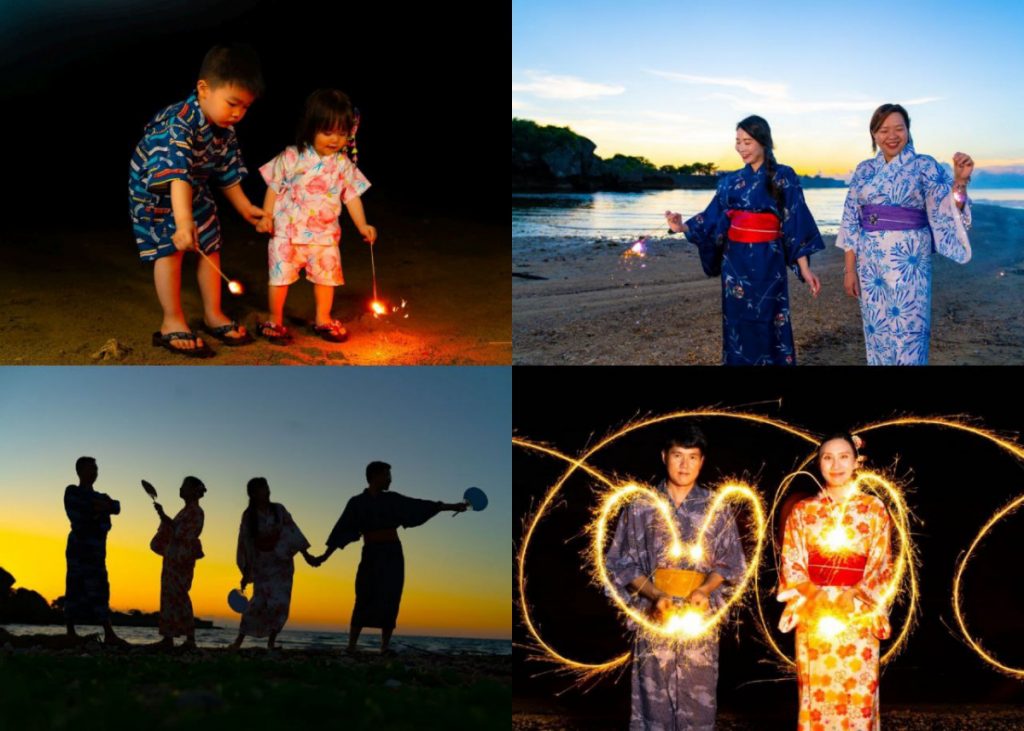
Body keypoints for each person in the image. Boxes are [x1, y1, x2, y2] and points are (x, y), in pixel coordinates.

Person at [128, 43, 267, 357]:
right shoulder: (177, 123)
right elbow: (175, 174)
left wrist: (245, 208)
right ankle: (171, 320)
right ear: (204, 89)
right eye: (233, 103)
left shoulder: (224, 129)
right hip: (155, 192)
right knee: (170, 248)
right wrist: (182, 221)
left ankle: (213, 313)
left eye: (245, 107)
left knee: (209, 242)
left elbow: (227, 171)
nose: (238, 113)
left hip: (193, 186)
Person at [604, 426, 747, 730]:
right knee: (651, 705)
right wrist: (655, 595)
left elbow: (731, 562)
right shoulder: (641, 506)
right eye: (678, 456)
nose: (684, 465)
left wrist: (705, 590)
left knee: (698, 703)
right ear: (664, 457)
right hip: (654, 618)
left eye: (692, 457)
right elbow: (621, 564)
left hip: (700, 622)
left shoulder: (716, 508)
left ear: (702, 461)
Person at [665, 115, 823, 365]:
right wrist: (681, 226)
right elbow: (712, 217)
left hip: (769, 260)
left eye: (747, 142)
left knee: (771, 318)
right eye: (737, 141)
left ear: (763, 142)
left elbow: (795, 222)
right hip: (735, 262)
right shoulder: (730, 181)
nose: (741, 148)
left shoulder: (785, 176)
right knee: (738, 321)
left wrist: (804, 268)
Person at [836, 103, 974, 365]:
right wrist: (849, 270)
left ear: (908, 131)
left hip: (910, 263)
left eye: (899, 128)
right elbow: (851, 221)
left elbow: (948, 207)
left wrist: (960, 182)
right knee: (877, 332)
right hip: (870, 264)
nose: (892, 136)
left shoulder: (925, 165)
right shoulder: (864, 170)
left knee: (910, 333)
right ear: (874, 135)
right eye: (883, 130)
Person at [777, 434, 893, 730]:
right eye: (827, 457)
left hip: (857, 612)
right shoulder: (802, 512)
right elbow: (792, 563)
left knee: (858, 699)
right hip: (815, 613)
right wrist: (815, 594)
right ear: (818, 463)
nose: (836, 464)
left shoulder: (874, 509)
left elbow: (881, 564)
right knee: (817, 698)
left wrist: (854, 594)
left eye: (843, 456)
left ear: (856, 462)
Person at [255, 89, 377, 344]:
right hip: (286, 233)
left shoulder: (343, 164)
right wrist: (266, 216)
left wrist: (362, 225)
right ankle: (274, 319)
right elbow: (274, 187)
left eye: (342, 133)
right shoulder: (291, 155)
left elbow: (351, 196)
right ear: (311, 127)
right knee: (280, 277)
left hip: (324, 235)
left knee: (327, 277)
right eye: (328, 132)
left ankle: (323, 318)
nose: (335, 140)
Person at [312, 461, 467, 654]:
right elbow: (341, 530)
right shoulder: (357, 503)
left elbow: (419, 506)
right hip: (371, 553)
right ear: (374, 476)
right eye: (387, 475)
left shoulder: (393, 500)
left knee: (391, 596)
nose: (390, 480)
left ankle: (384, 646)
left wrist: (453, 506)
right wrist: (324, 556)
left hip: (392, 553)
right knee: (363, 595)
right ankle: (351, 645)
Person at [230, 477, 318, 649]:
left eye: (268, 487)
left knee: (280, 604)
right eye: (263, 489)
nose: (268, 491)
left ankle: (271, 641)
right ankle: (238, 641)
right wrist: (246, 571)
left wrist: (306, 555)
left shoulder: (279, 510)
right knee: (257, 604)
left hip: (281, 563)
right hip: (261, 564)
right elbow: (246, 542)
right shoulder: (249, 516)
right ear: (253, 494)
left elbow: (292, 530)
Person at [63, 457, 126, 645]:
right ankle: (70, 632)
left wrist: (100, 509)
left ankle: (109, 633)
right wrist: (98, 510)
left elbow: (117, 506)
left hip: (97, 551)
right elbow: (79, 513)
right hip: (78, 549)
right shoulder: (72, 491)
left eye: (96, 469)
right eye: (91, 468)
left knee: (100, 588)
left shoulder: (102, 496)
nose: (95, 472)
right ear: (80, 471)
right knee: (74, 586)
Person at [151, 476, 206, 649]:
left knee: (180, 595)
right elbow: (175, 528)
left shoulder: (196, 512)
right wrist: (163, 515)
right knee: (168, 595)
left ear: (193, 491)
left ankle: (190, 638)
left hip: (182, 557)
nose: (180, 489)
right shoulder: (185, 511)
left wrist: (163, 516)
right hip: (173, 556)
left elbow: (181, 532)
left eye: (184, 486)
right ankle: (168, 638)